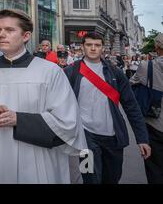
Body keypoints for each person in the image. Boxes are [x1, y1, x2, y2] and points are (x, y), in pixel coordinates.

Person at [0, 9, 87, 183]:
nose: (2, 34)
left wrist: (18, 119)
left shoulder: (50, 72)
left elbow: (68, 122)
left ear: (26, 36)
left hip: (38, 160)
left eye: (9, 30)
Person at [64, 32, 151, 184]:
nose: (93, 48)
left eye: (97, 45)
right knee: (89, 178)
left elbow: (131, 106)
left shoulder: (115, 73)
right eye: (89, 45)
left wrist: (142, 138)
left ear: (103, 48)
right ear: (82, 47)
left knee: (112, 178)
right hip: (85, 139)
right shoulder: (70, 72)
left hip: (113, 138)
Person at [130, 33, 163, 183]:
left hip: (154, 123)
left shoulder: (146, 66)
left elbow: (131, 85)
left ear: (156, 47)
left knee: (155, 169)